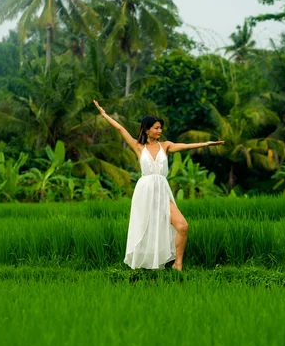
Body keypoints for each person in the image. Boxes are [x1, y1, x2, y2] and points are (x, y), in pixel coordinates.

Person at [93, 100, 224, 271]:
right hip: (145, 192)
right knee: (147, 228)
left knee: (183, 226)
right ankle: (148, 265)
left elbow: (184, 146)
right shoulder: (139, 147)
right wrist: (104, 114)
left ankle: (178, 264)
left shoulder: (166, 146)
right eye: (156, 128)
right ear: (147, 130)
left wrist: (206, 144)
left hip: (162, 191)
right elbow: (120, 129)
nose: (159, 131)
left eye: (160, 128)